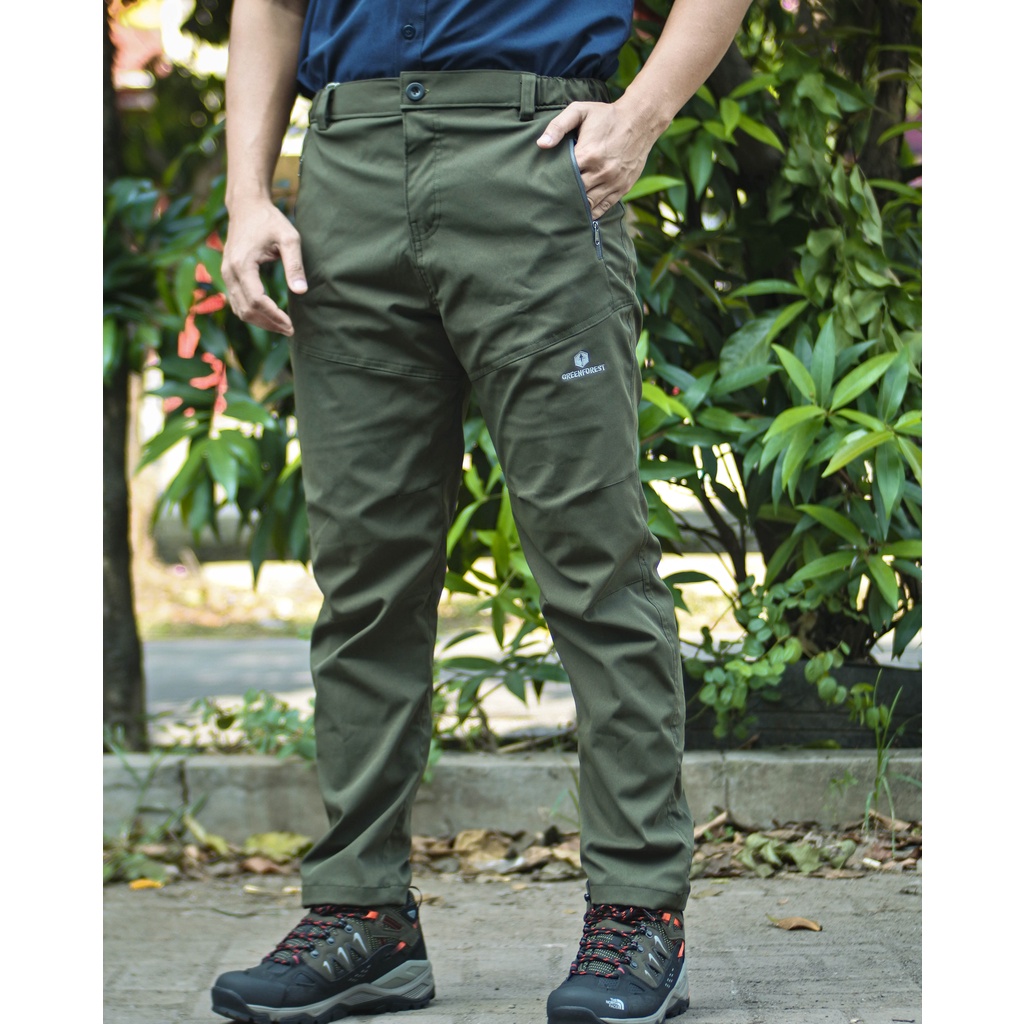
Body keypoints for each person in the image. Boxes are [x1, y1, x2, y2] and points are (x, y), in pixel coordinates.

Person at [210, 2, 751, 1022]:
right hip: (347, 176)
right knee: (364, 580)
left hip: (532, 162)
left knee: (594, 565)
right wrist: (247, 194)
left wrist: (642, 113)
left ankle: (638, 910)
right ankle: (362, 912)